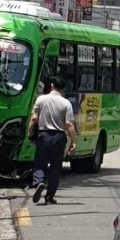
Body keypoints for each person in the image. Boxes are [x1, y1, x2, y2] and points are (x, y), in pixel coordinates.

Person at [28, 77, 77, 205]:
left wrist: (29, 133)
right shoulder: (66, 103)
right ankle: (50, 196)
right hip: (59, 137)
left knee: (40, 163)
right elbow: (68, 124)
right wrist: (73, 141)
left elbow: (34, 119)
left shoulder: (41, 99)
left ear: (51, 85)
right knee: (56, 167)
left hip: (43, 135)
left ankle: (39, 182)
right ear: (63, 88)